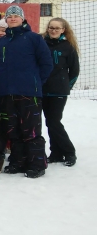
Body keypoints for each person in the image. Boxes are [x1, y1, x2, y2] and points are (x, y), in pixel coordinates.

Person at [0, 5, 53, 178]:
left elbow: (46, 64)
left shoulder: (34, 39)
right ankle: (18, 162)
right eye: (9, 16)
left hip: (29, 93)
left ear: (23, 19)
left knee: (31, 130)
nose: (12, 18)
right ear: (6, 19)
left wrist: (35, 83)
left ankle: (36, 164)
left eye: (16, 16)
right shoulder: (1, 42)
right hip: (7, 93)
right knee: (13, 130)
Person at [42, 18, 80, 167]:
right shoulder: (42, 44)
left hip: (59, 91)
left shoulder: (68, 47)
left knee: (54, 122)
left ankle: (69, 152)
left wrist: (66, 86)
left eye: (57, 28)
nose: (53, 30)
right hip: (44, 90)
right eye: (51, 27)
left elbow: (74, 71)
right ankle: (56, 153)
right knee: (49, 122)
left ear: (63, 30)